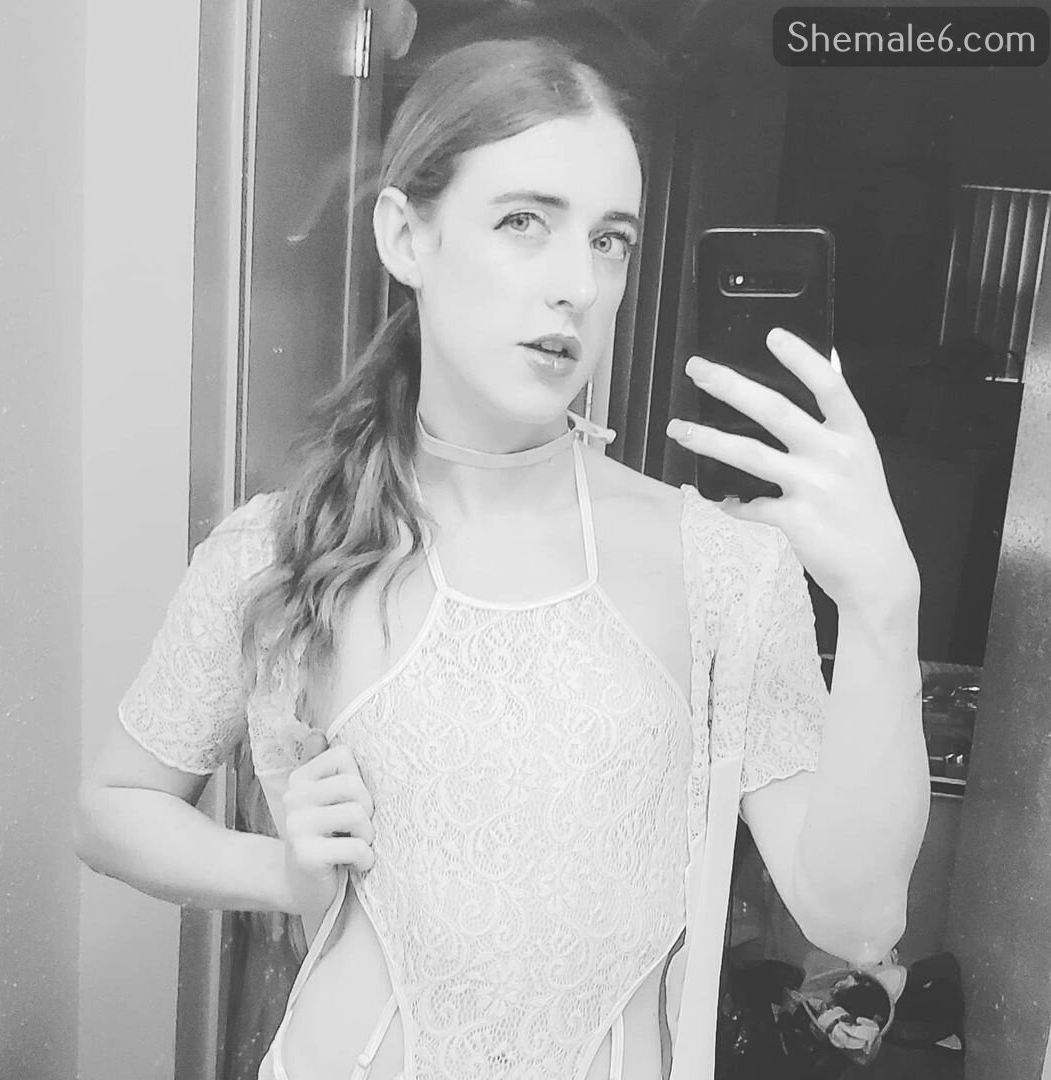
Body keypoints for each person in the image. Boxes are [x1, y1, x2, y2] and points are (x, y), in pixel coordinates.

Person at [75, 36, 930, 1080]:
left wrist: (884, 610)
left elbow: (855, 921)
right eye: (525, 221)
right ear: (407, 235)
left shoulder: (725, 567)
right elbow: (111, 810)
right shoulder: (280, 549)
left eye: (610, 240)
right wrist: (281, 873)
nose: (578, 284)